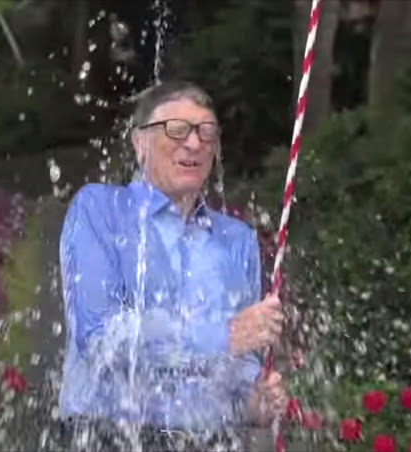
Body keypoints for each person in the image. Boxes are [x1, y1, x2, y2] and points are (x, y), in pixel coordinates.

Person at [58, 80, 287, 451]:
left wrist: (253, 402)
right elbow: (101, 337)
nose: (194, 143)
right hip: (109, 437)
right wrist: (224, 335)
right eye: (176, 130)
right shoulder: (100, 211)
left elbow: (240, 364)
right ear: (140, 143)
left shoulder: (237, 240)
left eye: (206, 132)